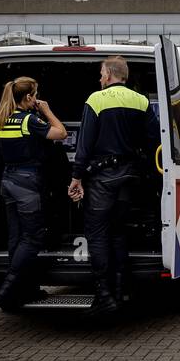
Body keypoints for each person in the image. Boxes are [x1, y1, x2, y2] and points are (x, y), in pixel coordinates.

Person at [69, 55, 160, 317]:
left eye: (101, 74)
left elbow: (84, 145)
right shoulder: (141, 101)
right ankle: (120, 292)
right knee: (119, 233)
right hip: (130, 178)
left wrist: (76, 177)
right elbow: (154, 139)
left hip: (102, 179)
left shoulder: (96, 100)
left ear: (109, 74)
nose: (100, 79)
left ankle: (104, 296)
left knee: (97, 236)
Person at [0, 77, 67, 311]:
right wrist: (47, 110)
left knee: (16, 237)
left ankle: (24, 289)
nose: (37, 98)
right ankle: (7, 290)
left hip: (8, 181)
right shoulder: (28, 121)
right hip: (27, 182)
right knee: (33, 238)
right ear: (28, 97)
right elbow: (61, 133)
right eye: (35, 94)